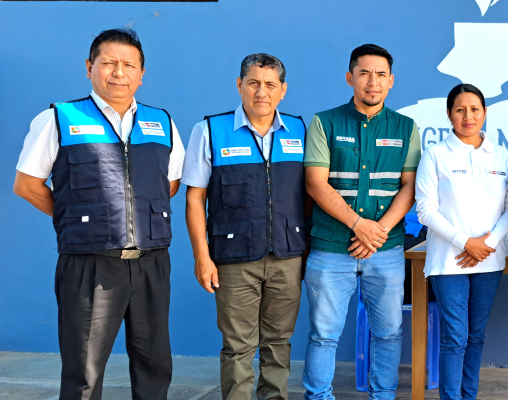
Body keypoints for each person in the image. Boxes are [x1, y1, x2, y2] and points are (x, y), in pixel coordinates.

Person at [12, 28, 185, 400]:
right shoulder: (59, 118)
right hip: (90, 264)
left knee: (155, 368)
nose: (119, 72)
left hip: (152, 263)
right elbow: (26, 185)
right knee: (84, 375)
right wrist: (76, 218)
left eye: (129, 65)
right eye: (108, 63)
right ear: (90, 67)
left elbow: (169, 184)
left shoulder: (162, 122)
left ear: (142, 73)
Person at [182, 53, 307, 400]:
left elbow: (308, 196)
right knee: (238, 346)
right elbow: (195, 199)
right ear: (239, 85)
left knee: (279, 342)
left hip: (287, 257)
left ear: (282, 90)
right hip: (233, 259)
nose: (261, 92)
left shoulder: (300, 130)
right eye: (253, 83)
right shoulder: (210, 130)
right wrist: (202, 257)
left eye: (270, 84)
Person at [301, 43, 421, 400]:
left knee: (389, 333)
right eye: (364, 73)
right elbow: (315, 183)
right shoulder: (324, 122)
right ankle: (318, 397)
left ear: (391, 81)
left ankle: (382, 396)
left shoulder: (406, 127)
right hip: (330, 248)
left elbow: (410, 186)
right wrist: (359, 225)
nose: (373, 81)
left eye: (381, 74)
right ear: (349, 77)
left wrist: (377, 232)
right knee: (323, 335)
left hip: (386, 249)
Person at [414, 83, 508, 400]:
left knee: (475, 336)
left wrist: (487, 243)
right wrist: (465, 242)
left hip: (490, 260)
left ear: (484, 113)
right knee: (455, 337)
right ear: (449, 114)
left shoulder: (502, 156)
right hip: (449, 261)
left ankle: (467, 396)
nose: (468, 116)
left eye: (474, 109)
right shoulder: (435, 155)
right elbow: (425, 210)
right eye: (460, 110)